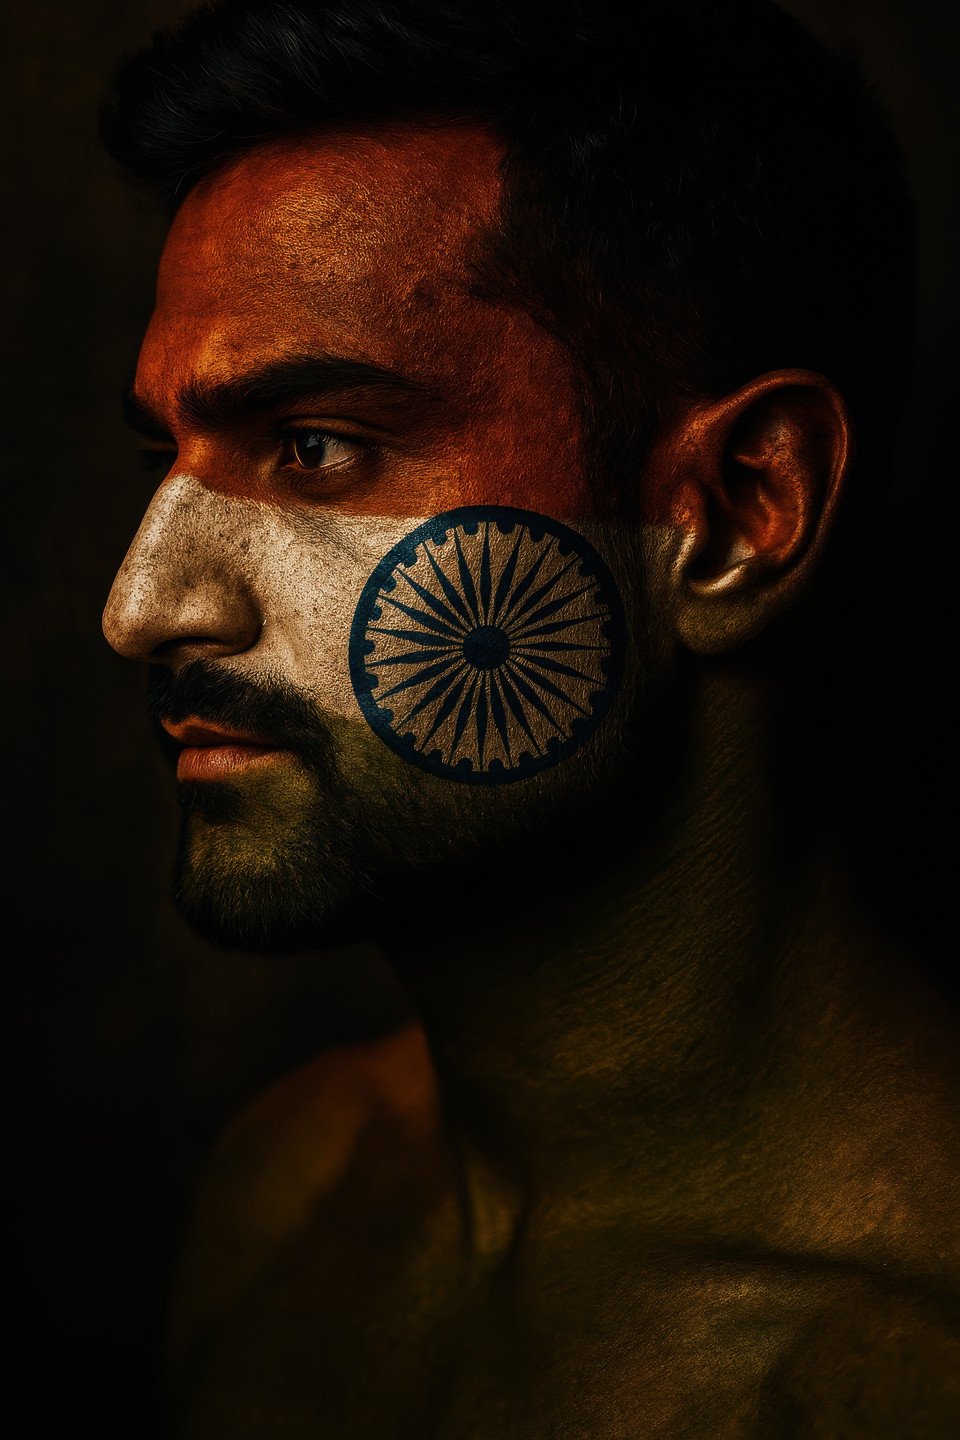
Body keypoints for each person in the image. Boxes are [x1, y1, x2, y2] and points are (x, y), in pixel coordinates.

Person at [100, 0, 959, 1433]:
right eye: (167, 457)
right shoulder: (285, 1198)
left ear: (743, 512)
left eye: (317, 448)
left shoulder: (906, 1368)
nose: (144, 605)